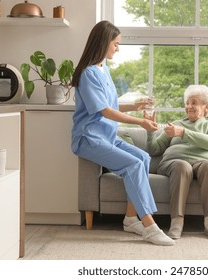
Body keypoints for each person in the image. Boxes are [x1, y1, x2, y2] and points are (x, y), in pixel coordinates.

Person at [71, 20, 175, 246]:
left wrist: (135, 106)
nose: (117, 48)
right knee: (133, 164)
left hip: (106, 137)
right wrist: (140, 122)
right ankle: (149, 225)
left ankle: (130, 219)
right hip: (88, 138)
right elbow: (105, 111)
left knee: (143, 158)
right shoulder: (88, 73)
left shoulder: (103, 68)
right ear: (104, 42)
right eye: (116, 44)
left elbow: (111, 104)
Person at [146, 85, 208, 240]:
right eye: (187, 103)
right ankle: (177, 222)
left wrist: (183, 133)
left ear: (205, 107)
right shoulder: (176, 123)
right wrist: (149, 130)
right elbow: (154, 149)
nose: (189, 106)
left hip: (203, 162)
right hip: (174, 163)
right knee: (183, 166)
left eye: (193, 103)